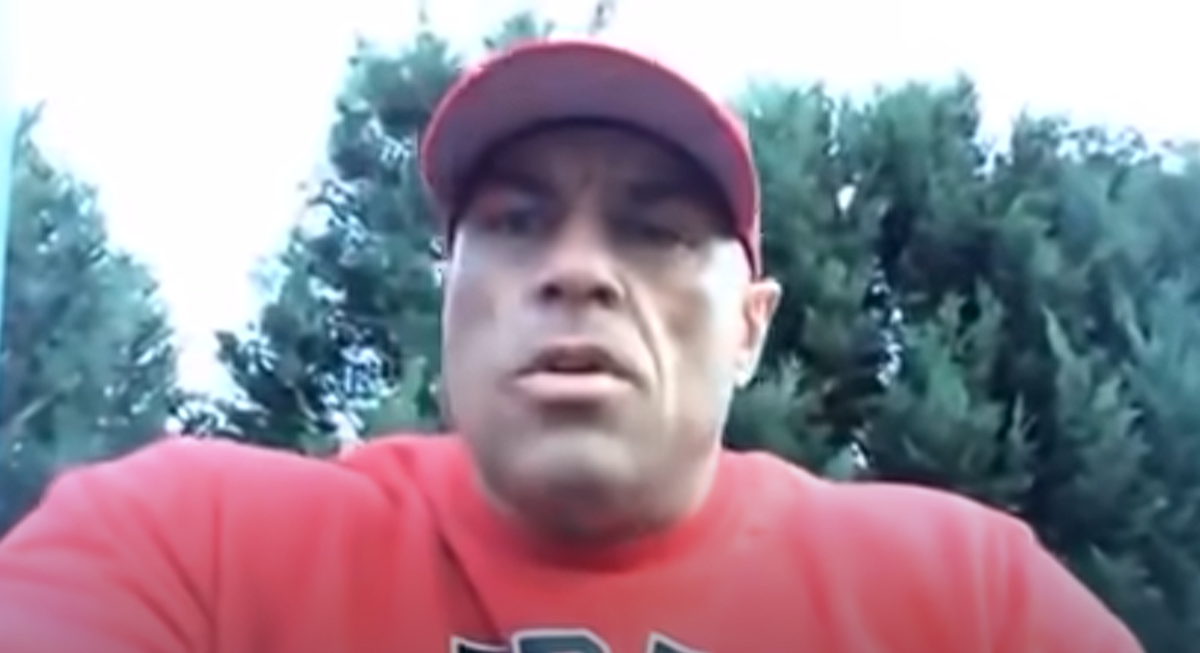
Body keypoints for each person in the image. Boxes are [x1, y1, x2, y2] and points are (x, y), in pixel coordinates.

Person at [0, 39, 1142, 653]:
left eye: (656, 231)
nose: (578, 269)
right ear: (448, 295)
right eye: (514, 221)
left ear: (751, 327)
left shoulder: (963, 597)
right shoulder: (189, 547)